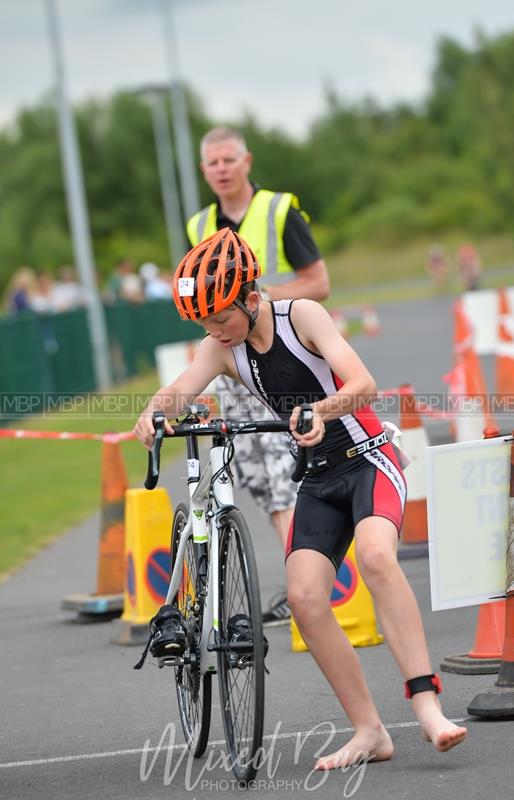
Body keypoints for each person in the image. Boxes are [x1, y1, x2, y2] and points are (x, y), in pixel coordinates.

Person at [134, 229, 467, 769]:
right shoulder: (221, 349)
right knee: (307, 603)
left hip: (369, 460)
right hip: (316, 478)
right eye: (204, 324)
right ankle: (369, 731)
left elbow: (363, 383)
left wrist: (324, 410)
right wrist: (152, 411)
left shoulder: (301, 316)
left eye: (220, 318)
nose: (213, 332)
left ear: (249, 296)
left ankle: (427, 704)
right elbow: (179, 389)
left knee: (377, 556)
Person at [186, 125, 330, 626]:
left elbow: (319, 281)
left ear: (246, 160)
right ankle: (302, 585)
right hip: (232, 368)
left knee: (289, 471)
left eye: (229, 159)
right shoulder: (198, 223)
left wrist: (257, 298)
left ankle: (310, 586)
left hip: (284, 351)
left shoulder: (278, 208)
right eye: (212, 163)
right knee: (263, 482)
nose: (222, 169)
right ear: (203, 170)